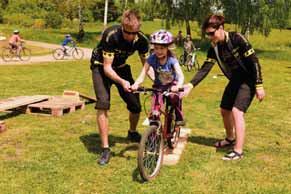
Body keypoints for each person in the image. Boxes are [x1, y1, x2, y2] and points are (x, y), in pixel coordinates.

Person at [183, 14, 265, 160]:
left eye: (211, 33)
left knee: (237, 111)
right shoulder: (214, 48)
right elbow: (205, 68)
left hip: (249, 80)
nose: (209, 37)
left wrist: (259, 84)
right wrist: (190, 85)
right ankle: (230, 138)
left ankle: (238, 151)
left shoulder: (237, 39)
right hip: (235, 80)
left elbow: (254, 61)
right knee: (224, 110)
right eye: (207, 34)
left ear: (220, 28)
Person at [90, 9, 151, 165]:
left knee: (135, 106)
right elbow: (107, 68)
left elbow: (147, 66)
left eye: (134, 33)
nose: (131, 36)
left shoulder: (142, 40)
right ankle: (105, 149)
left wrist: (159, 82)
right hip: (101, 67)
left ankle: (132, 132)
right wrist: (122, 82)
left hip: (122, 66)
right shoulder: (111, 35)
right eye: (127, 33)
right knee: (103, 103)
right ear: (122, 27)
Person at [131, 30, 185, 126]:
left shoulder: (172, 59)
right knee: (155, 109)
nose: (159, 51)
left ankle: (178, 116)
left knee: (174, 98)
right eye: (156, 48)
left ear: (168, 48)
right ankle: (153, 131)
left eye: (162, 48)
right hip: (159, 86)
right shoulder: (151, 58)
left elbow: (180, 75)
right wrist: (136, 84)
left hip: (172, 86)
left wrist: (178, 86)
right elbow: (143, 73)